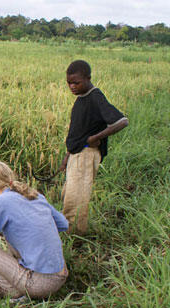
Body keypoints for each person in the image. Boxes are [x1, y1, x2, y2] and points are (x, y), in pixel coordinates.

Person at [0, 161, 69, 300]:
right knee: (14, 231)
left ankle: (14, 293)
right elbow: (63, 224)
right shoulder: (34, 195)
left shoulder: (0, 202)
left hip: (40, 284)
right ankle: (26, 277)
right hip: (60, 275)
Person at [61, 60, 129, 234]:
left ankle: (74, 237)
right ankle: (69, 233)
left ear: (88, 78)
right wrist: (67, 155)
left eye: (76, 82)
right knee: (68, 196)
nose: (72, 86)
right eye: (69, 82)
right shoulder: (81, 99)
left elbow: (121, 121)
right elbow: (78, 130)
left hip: (86, 154)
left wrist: (96, 137)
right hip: (76, 153)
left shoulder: (95, 97)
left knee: (77, 199)